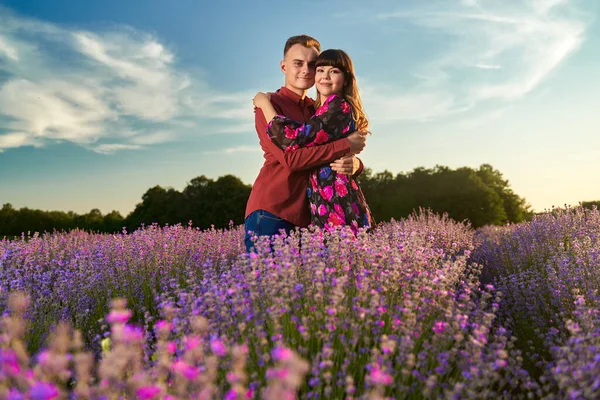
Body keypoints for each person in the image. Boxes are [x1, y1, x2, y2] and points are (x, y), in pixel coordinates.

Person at [244, 35, 367, 252]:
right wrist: (345, 145)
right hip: (273, 209)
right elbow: (291, 160)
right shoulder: (269, 105)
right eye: (298, 63)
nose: (306, 70)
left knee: (302, 285)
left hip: (310, 215)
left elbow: (333, 154)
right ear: (284, 67)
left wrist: (356, 165)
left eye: (313, 65)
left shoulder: (318, 108)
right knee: (269, 285)